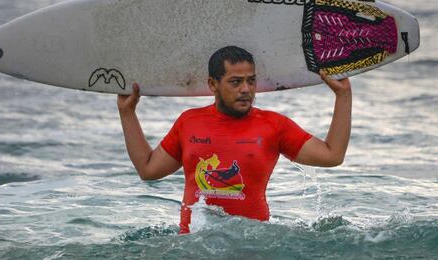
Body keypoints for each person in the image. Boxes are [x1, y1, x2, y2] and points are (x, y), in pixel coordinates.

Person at [117, 46, 352, 234]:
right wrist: (127, 113)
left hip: (251, 248)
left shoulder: (273, 126)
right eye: (235, 82)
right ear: (213, 84)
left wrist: (343, 96)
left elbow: (332, 156)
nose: (246, 89)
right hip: (194, 247)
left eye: (251, 81)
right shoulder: (189, 122)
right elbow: (148, 169)